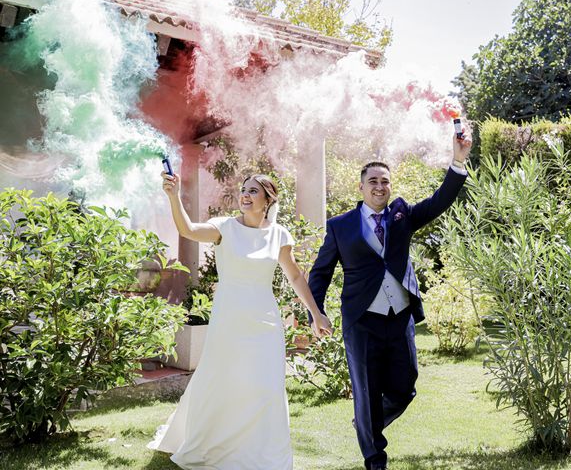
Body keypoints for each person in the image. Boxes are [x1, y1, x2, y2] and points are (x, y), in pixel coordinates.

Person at [308, 131, 472, 470]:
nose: (380, 186)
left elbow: (440, 200)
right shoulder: (341, 226)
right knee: (366, 390)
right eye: (373, 181)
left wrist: (458, 161)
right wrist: (316, 312)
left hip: (399, 318)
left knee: (405, 386)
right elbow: (320, 271)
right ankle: (374, 458)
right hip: (362, 320)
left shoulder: (403, 216)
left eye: (385, 181)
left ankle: (366, 424)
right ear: (361, 187)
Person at [148, 172, 333, 470]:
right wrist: (173, 195)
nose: (245, 195)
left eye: (253, 191)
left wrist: (315, 313)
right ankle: (209, 442)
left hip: (266, 322)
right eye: (243, 190)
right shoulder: (224, 228)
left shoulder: (279, 235)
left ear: (268, 200)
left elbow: (295, 276)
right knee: (220, 378)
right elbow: (188, 229)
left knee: (266, 386)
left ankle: (263, 453)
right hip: (230, 318)